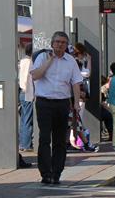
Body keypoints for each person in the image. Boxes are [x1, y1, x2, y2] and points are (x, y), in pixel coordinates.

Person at [30, 30, 84, 186]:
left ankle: (56, 172)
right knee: (45, 138)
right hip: (44, 102)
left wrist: (75, 103)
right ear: (52, 44)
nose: (60, 45)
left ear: (67, 45)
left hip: (62, 103)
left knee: (60, 140)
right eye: (57, 42)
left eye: (63, 43)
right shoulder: (42, 57)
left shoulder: (71, 61)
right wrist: (50, 61)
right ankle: (45, 173)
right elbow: (35, 76)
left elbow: (76, 82)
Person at [17, 43, 35, 152]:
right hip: (28, 91)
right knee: (28, 119)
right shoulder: (30, 62)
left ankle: (23, 143)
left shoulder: (22, 61)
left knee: (23, 118)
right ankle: (26, 144)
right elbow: (29, 79)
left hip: (21, 92)